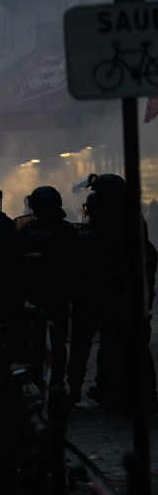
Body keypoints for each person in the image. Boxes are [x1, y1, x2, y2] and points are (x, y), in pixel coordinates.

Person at [75, 174, 158, 411]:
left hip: (120, 293)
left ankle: (119, 393)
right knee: (122, 344)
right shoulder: (126, 216)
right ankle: (119, 391)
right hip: (127, 293)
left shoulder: (118, 220)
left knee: (119, 345)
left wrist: (75, 237)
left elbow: (99, 242)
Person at [16, 186, 82, 394]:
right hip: (58, 295)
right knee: (58, 341)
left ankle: (40, 380)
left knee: (35, 340)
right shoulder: (67, 230)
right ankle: (55, 381)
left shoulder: (27, 231)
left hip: (35, 295)